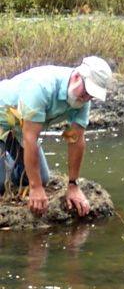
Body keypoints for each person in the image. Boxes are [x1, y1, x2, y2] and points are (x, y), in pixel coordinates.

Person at [0, 57, 114, 218]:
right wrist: (35, 187)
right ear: (76, 77)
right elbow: (30, 138)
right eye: (86, 92)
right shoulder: (41, 86)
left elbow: (75, 140)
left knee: (43, 178)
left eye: (92, 95)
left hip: (17, 130)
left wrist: (73, 185)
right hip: (3, 121)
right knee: (2, 183)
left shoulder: (81, 101)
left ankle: (9, 165)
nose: (87, 98)